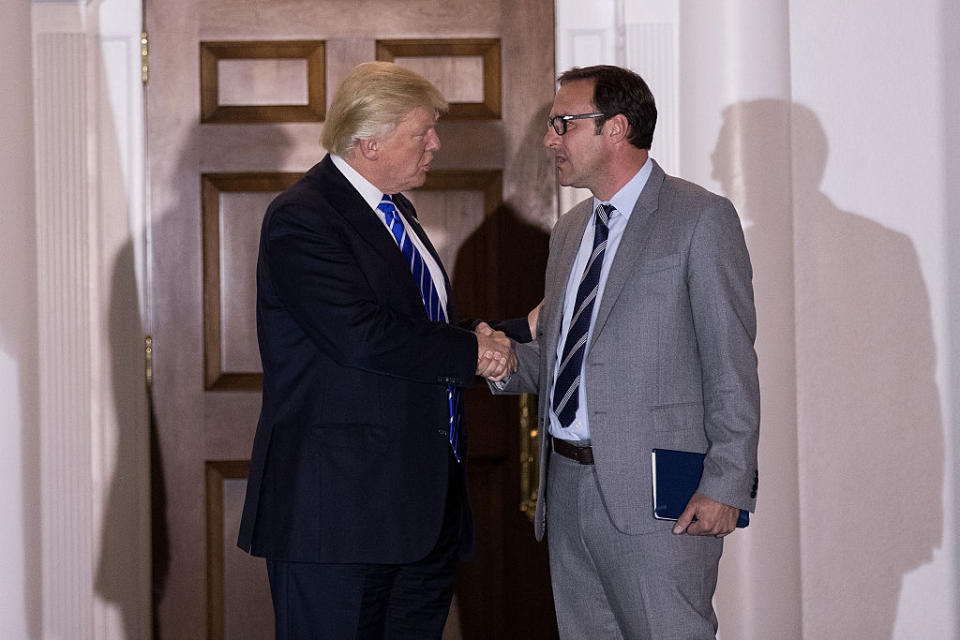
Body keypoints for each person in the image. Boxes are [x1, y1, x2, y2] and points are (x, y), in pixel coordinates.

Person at [237, 61, 515, 639]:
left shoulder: (397, 213)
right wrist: (474, 354)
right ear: (369, 141)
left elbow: (418, 328)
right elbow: (361, 334)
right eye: (422, 132)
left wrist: (509, 332)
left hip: (415, 513)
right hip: (337, 516)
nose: (435, 144)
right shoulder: (304, 216)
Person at [482, 65, 760, 639]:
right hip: (568, 493)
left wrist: (727, 485)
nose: (548, 139)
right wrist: (503, 361)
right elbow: (564, 358)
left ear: (617, 128)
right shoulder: (570, 231)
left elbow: (730, 363)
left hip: (663, 502)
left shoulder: (700, 218)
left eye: (563, 123)